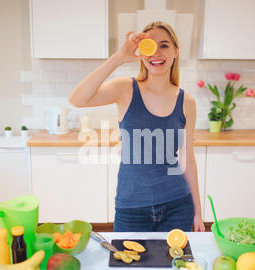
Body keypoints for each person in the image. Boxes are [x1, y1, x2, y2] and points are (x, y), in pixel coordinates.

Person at [69, 21, 205, 232]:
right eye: (150, 46)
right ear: (141, 52)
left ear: (176, 51)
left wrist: (198, 211)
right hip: (131, 207)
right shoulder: (125, 89)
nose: (157, 53)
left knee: (175, 265)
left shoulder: (187, 102)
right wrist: (120, 58)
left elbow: (187, 157)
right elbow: (77, 99)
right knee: (126, 264)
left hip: (178, 205)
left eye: (164, 45)